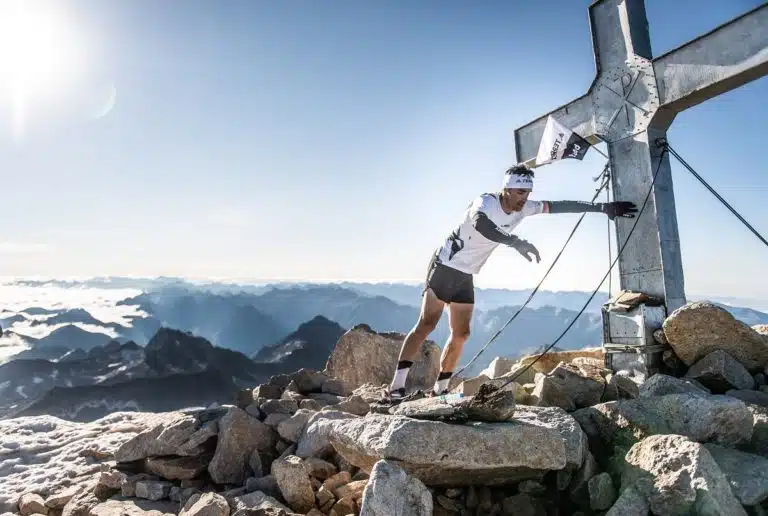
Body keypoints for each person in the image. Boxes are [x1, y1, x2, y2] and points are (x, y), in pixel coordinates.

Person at [386, 164, 637, 402]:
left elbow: (559, 206)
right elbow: (480, 224)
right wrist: (515, 242)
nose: (524, 198)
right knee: (427, 324)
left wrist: (602, 208)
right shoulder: (485, 202)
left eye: (527, 192)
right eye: (519, 192)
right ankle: (396, 387)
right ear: (506, 189)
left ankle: (440, 390)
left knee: (461, 334)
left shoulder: (524, 208)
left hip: (465, 274)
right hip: (444, 266)